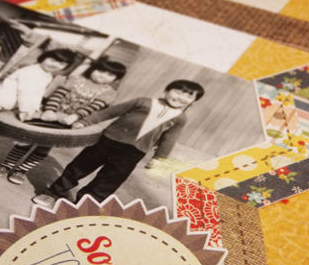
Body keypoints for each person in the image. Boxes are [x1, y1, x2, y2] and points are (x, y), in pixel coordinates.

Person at [34, 79, 205, 205]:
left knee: (110, 180)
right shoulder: (143, 101)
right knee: (80, 166)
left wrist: (159, 159)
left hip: (134, 152)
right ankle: (53, 192)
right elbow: (110, 112)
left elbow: (169, 139)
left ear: (194, 102)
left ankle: (86, 203)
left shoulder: (180, 118)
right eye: (178, 92)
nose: (181, 97)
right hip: (108, 140)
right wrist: (86, 122)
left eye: (188, 96)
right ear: (166, 91)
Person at [0, 57, 127, 184]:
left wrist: (75, 117)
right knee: (26, 140)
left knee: (44, 146)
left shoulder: (109, 92)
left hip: (69, 121)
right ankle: (6, 165)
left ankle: (21, 170)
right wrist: (50, 110)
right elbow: (57, 95)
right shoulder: (75, 79)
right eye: (100, 71)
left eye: (110, 75)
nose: (103, 76)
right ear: (93, 69)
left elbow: (93, 107)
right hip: (49, 114)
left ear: (116, 79)